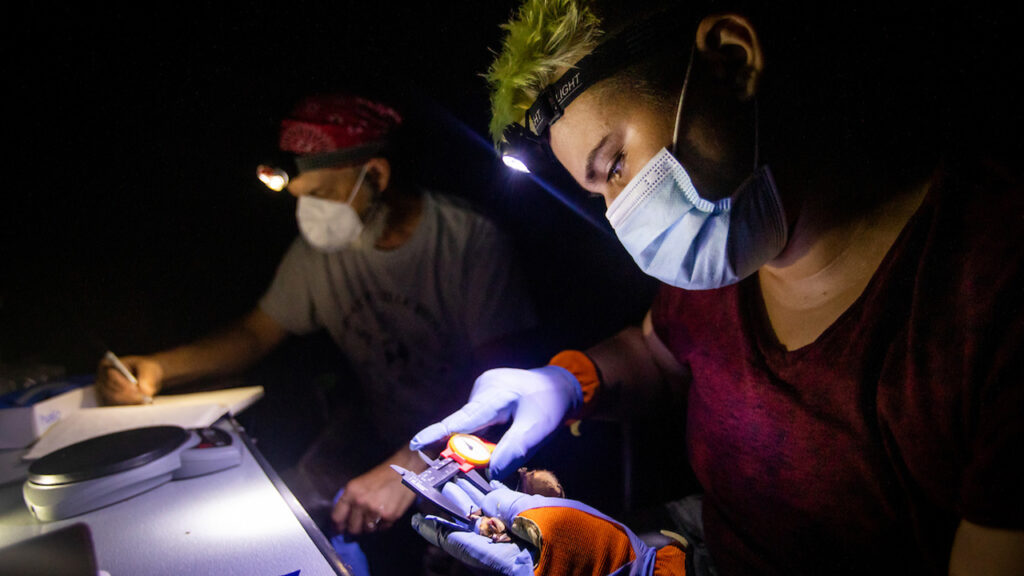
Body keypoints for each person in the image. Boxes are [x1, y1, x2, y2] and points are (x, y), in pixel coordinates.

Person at [408, 1, 1022, 575]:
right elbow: (657, 352)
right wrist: (566, 384)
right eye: (600, 195)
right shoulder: (737, 243)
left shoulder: (987, 291)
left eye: (616, 164)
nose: (623, 218)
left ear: (730, 62)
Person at [96, 92, 541, 575]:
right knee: (282, 511)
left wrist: (416, 466)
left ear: (376, 176)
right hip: (378, 434)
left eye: (321, 195)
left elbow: (502, 390)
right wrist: (161, 367)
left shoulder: (469, 243)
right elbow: (254, 334)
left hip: (472, 450)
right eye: (299, 198)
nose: (307, 213)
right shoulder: (320, 255)